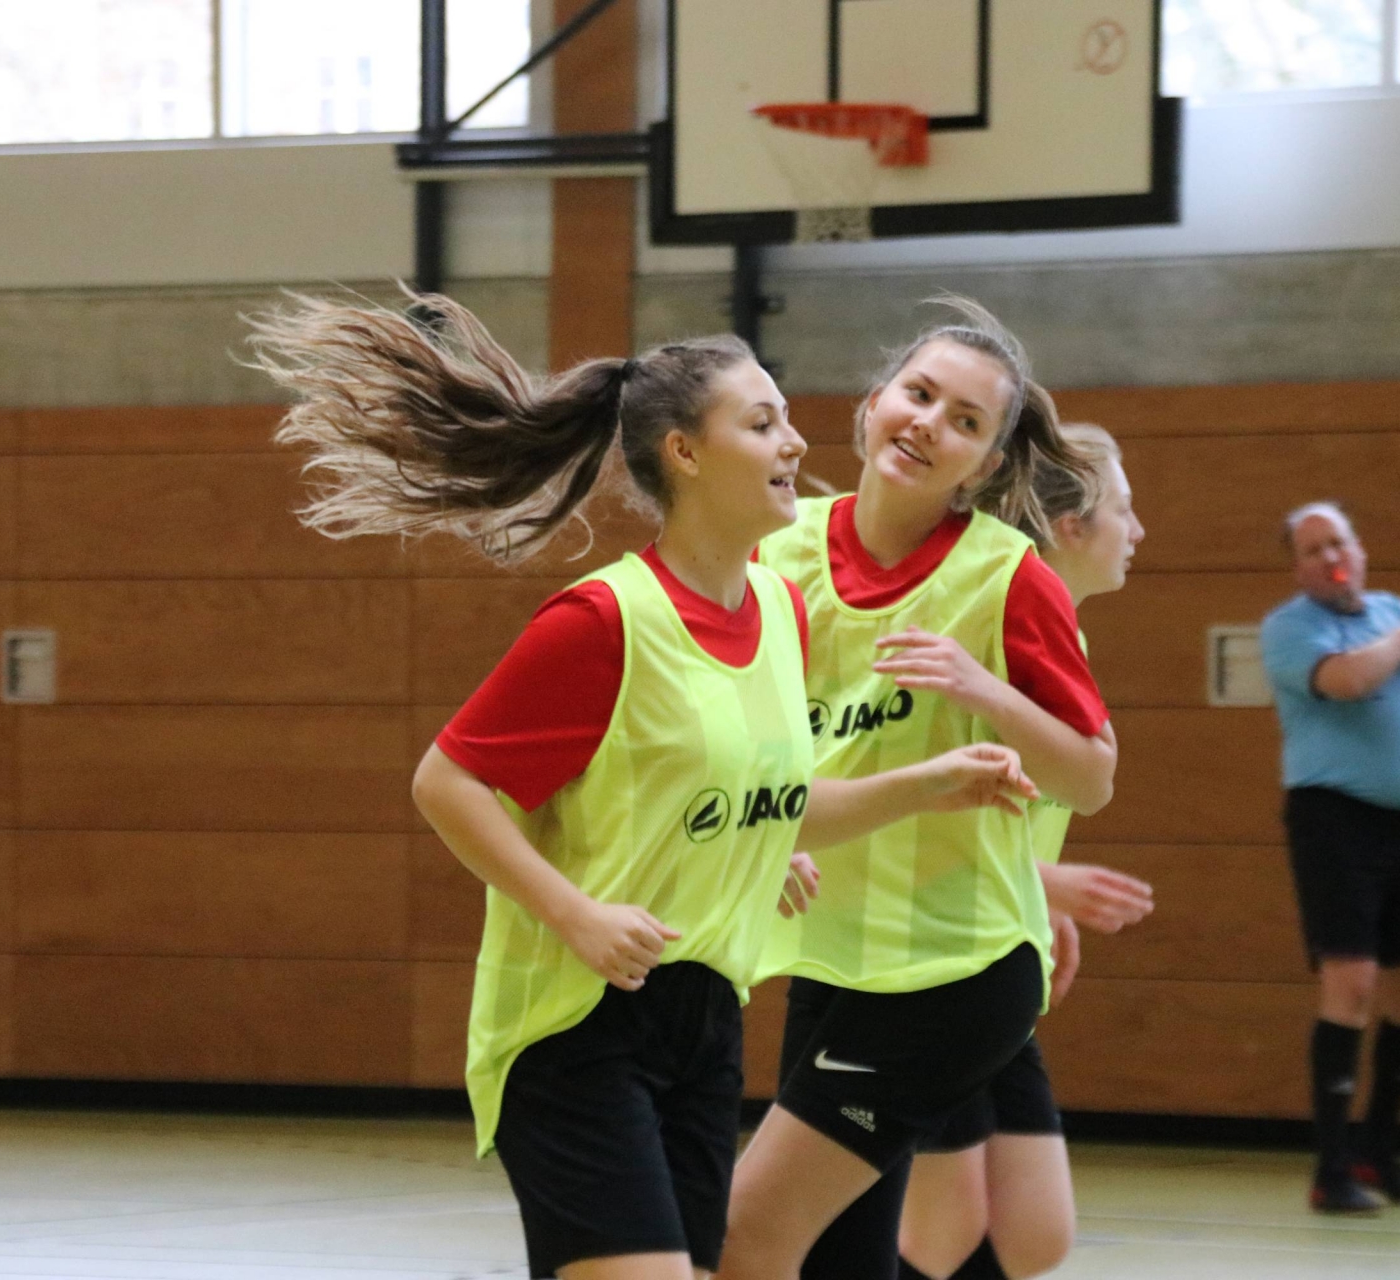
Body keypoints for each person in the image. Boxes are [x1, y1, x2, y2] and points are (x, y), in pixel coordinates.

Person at [248, 292, 1040, 1280]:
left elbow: (772, 798)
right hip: (579, 1022)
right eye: (762, 423)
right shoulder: (602, 621)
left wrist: (907, 792)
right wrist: (573, 912)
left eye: (786, 418)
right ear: (686, 453)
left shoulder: (780, 612)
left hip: (705, 1022)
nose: (795, 440)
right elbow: (447, 782)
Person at [719, 298, 1120, 1280]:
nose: (931, 422)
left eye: (966, 420)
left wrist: (984, 690)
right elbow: (737, 743)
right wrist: (764, 837)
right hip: (830, 959)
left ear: (982, 465)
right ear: (873, 405)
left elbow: (1091, 776)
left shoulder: (1006, 577)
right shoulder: (776, 553)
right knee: (844, 1258)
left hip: (948, 974)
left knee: (747, 1234)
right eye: (921, 393)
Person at [894, 423, 1154, 1280]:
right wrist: (1040, 880)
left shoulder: (1060, 638)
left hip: (996, 951)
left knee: (1034, 1233)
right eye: (1124, 509)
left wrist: (1033, 897)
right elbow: (907, 819)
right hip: (927, 961)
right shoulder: (983, 630)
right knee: (941, 1230)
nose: (1138, 529)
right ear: (1071, 527)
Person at [1259, 501, 1400, 1215]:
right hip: (1335, 821)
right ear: (1298, 569)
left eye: (1339, 542)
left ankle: (1378, 1150)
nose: (1331, 556)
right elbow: (1348, 680)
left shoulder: (1396, 611)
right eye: (1313, 550)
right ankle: (1331, 1170)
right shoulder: (1290, 628)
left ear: (1359, 549)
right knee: (1352, 982)